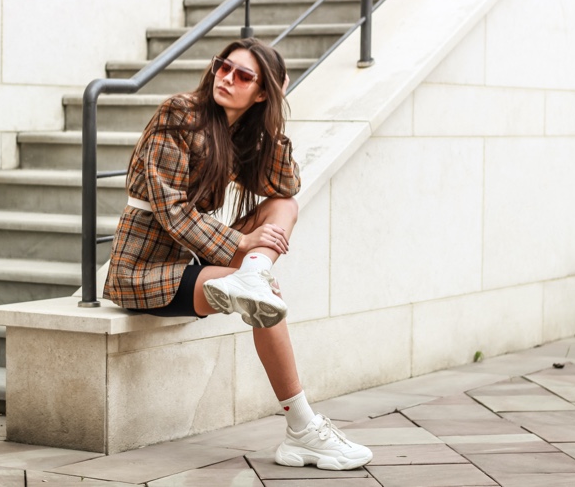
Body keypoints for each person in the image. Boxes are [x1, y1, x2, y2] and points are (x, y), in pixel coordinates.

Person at [103, 38, 373, 471]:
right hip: (142, 270)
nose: (226, 78)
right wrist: (240, 244)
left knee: (284, 210)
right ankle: (303, 428)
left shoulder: (237, 132)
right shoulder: (180, 114)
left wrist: (275, 116)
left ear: (261, 92)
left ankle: (252, 279)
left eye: (243, 76)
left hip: (191, 259)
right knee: (265, 298)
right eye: (223, 67)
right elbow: (168, 209)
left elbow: (285, 188)